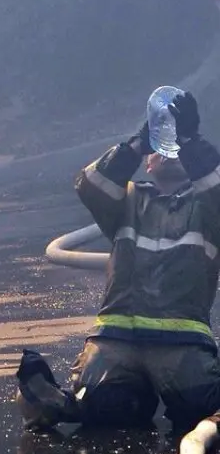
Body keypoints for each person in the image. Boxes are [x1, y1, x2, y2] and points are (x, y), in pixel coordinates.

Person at [16, 90, 220, 433]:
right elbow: (90, 183)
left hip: (183, 347)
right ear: (148, 163)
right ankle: (56, 403)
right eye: (158, 148)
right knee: (107, 410)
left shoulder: (208, 208)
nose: (168, 152)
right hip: (116, 342)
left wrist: (191, 141)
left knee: (202, 408)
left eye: (176, 147)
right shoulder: (126, 200)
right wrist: (136, 144)